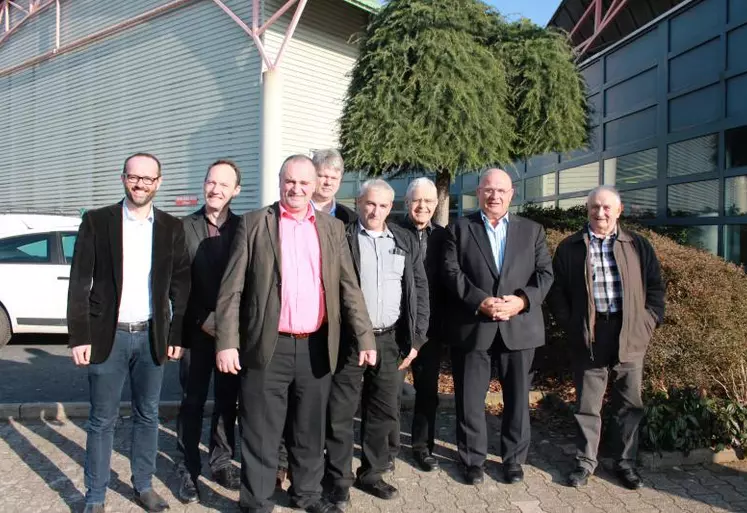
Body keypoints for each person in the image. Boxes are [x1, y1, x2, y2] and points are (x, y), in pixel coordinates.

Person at [214, 154, 376, 513]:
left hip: (317, 346)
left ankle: (307, 495)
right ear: (280, 182)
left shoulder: (332, 229)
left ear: (315, 185)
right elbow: (232, 290)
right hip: (267, 347)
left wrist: (365, 336)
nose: (297, 189)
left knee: (309, 429)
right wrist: (226, 343)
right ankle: (256, 502)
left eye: (304, 183)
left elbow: (349, 287)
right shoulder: (256, 223)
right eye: (291, 181)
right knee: (260, 430)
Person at [67, 153, 191, 513]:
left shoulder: (171, 226)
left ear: (159, 182)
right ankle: (96, 495)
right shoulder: (97, 221)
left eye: (148, 179)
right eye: (134, 177)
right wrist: (79, 336)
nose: (141, 184)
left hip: (152, 337)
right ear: (123, 178)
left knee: (148, 415)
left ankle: (144, 485)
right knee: (101, 419)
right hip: (109, 336)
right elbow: (79, 281)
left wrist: (177, 335)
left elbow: (181, 285)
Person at [548, 185, 665, 490]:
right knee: (588, 404)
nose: (599, 213)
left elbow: (655, 289)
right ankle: (585, 463)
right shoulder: (570, 246)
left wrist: (647, 324)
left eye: (606, 208)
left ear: (619, 210)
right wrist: (571, 324)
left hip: (630, 334)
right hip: (590, 334)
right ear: (587, 210)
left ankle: (625, 464)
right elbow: (556, 292)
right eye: (594, 208)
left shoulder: (638, 245)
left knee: (629, 403)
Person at [442, 168, 553, 485]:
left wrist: (522, 301)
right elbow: (451, 272)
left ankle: (513, 461)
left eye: (501, 190)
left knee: (518, 400)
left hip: (518, 327)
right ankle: (472, 460)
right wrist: (479, 300)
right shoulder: (459, 229)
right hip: (474, 324)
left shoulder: (532, 231)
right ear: (478, 193)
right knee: (470, 400)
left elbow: (545, 274)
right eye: (488, 190)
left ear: (512, 194)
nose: (494, 196)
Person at [324, 179, 429, 509]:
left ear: (391, 207)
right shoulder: (342, 237)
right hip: (349, 341)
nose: (376, 211)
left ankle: (372, 473)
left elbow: (420, 292)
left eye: (383, 205)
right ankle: (338, 479)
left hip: (389, 340)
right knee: (340, 412)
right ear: (359, 202)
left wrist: (415, 340)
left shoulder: (404, 239)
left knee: (383, 411)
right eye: (370, 203)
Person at [277, 148, 357, 489]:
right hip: (286, 332)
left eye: (333, 177)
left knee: (320, 409)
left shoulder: (348, 220)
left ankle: (316, 473)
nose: (326, 181)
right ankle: (282, 467)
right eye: (322, 175)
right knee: (285, 410)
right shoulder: (279, 215)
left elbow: (349, 279)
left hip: (328, 330)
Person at [175, 160, 243, 503]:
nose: (215, 189)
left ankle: (220, 460)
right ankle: (187, 467)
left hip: (232, 335)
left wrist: (229, 325)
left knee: (227, 401)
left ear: (236, 191)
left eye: (223, 184)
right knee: (192, 401)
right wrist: (205, 318)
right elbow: (178, 283)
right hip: (196, 332)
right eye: (210, 182)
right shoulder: (183, 227)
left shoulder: (245, 227)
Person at [394, 177, 447, 472]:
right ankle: (386, 447)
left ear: (436, 205)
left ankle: (422, 447)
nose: (422, 206)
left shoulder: (444, 237)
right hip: (398, 329)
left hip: (430, 331)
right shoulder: (392, 232)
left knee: (427, 393)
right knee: (389, 393)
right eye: (417, 200)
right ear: (407, 203)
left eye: (428, 201)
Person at [311, 148, 357, 224]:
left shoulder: (350, 219)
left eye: (334, 178)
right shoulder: (297, 212)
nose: (328, 182)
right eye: (323, 176)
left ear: (340, 180)